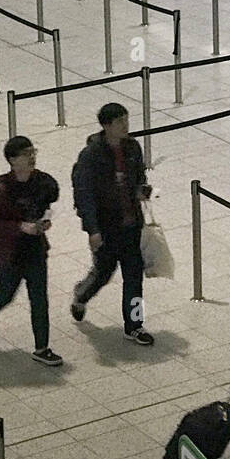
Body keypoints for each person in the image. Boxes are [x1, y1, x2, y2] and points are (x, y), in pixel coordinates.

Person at [70, 103, 155, 345]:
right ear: (106, 126)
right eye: (120, 122)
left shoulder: (132, 147)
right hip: (106, 226)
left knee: (134, 276)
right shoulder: (91, 156)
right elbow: (83, 194)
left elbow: (139, 176)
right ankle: (81, 295)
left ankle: (135, 325)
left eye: (126, 121)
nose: (125, 126)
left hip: (131, 223)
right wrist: (92, 229)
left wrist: (141, 189)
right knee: (103, 273)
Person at [0, 137, 63, 366]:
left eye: (33, 152)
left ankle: (42, 347)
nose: (32, 157)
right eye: (26, 154)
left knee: (39, 298)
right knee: (6, 293)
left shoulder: (43, 182)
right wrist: (20, 227)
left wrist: (43, 222)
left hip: (35, 248)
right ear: (12, 160)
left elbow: (46, 205)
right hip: (9, 251)